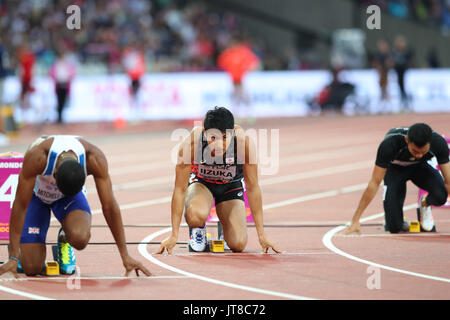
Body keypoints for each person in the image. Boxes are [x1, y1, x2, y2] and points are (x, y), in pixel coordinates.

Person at [0, 135, 151, 277]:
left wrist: (125, 255)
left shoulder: (94, 158)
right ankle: (22, 252)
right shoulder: (38, 156)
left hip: (68, 198)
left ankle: (64, 238)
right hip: (37, 196)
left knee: (80, 238)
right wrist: (13, 256)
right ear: (55, 172)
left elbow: (110, 207)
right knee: (31, 268)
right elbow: (20, 205)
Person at [156, 106, 280, 254]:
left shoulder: (244, 144)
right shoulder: (192, 145)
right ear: (204, 133)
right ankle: (198, 230)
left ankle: (225, 225)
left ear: (232, 133)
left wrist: (262, 235)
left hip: (230, 187)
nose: (219, 144)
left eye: (225, 138)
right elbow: (180, 189)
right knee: (195, 216)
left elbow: (252, 188)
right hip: (202, 184)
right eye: (213, 138)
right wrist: (174, 234)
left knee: (238, 244)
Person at [343, 123, 450, 235]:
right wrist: (356, 219)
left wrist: (421, 157)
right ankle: (398, 221)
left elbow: (448, 181)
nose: (418, 155)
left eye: (423, 152)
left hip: (420, 168)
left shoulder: (438, 143)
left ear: (430, 142)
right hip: (395, 171)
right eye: (415, 151)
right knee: (394, 227)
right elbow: (374, 183)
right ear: (407, 140)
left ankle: (425, 203)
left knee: (441, 196)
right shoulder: (389, 144)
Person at [49, 49, 77, 124]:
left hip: (65, 84)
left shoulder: (67, 64)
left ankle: (61, 117)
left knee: (63, 101)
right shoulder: (56, 64)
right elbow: (52, 73)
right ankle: (59, 117)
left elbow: (72, 73)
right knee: (59, 101)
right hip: (59, 84)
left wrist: (69, 79)